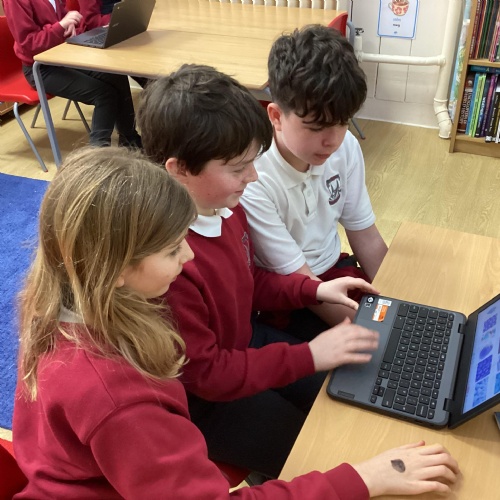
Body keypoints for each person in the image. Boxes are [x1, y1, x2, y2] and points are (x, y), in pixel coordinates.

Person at [13, 147, 460, 499]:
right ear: (114, 268)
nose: (189, 255)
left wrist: (309, 292)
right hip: (144, 459)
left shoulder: (70, 298)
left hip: (137, 464)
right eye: (171, 250)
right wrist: (364, 478)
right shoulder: (120, 398)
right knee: (327, 451)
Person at [137, 64, 385, 480]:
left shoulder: (225, 208)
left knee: (345, 392)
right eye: (238, 168)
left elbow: (247, 283)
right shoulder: (168, 263)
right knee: (314, 452)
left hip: (244, 342)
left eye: (252, 162)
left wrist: (311, 291)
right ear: (178, 169)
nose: (252, 177)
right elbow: (207, 375)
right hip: (209, 400)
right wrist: (308, 355)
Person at [240, 25, 388, 331]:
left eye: (343, 122)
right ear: (276, 117)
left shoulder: (345, 147)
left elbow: (365, 234)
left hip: (334, 271)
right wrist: (375, 333)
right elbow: (298, 279)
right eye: (316, 126)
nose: (332, 140)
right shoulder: (254, 176)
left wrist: (400, 303)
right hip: (290, 292)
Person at [4, 0, 141, 148]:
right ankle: (97, 156)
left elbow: (64, 20)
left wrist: (79, 27)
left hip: (63, 55)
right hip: (40, 68)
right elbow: (29, 44)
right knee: (104, 94)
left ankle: (130, 141)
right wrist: (61, 26)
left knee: (115, 74)